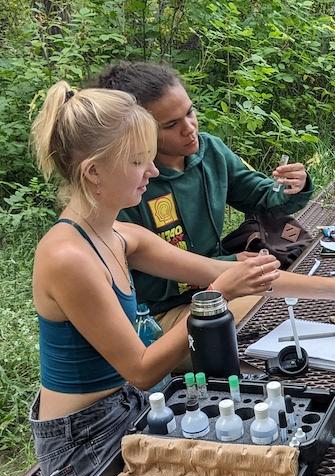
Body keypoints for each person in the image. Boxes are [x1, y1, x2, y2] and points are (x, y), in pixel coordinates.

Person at [29, 81, 335, 476]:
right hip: (85, 446)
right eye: (140, 161)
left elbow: (233, 270)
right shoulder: (69, 257)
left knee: (293, 443)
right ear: (94, 173)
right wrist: (216, 294)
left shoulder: (120, 234)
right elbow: (141, 368)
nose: (154, 172)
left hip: (136, 404)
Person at [91, 61, 315, 335]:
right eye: (171, 125)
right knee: (280, 314)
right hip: (159, 314)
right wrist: (229, 267)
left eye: (190, 112)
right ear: (136, 130)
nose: (189, 128)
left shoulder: (211, 153)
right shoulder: (126, 185)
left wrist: (291, 187)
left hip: (222, 287)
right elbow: (137, 275)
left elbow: (261, 197)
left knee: (298, 306)